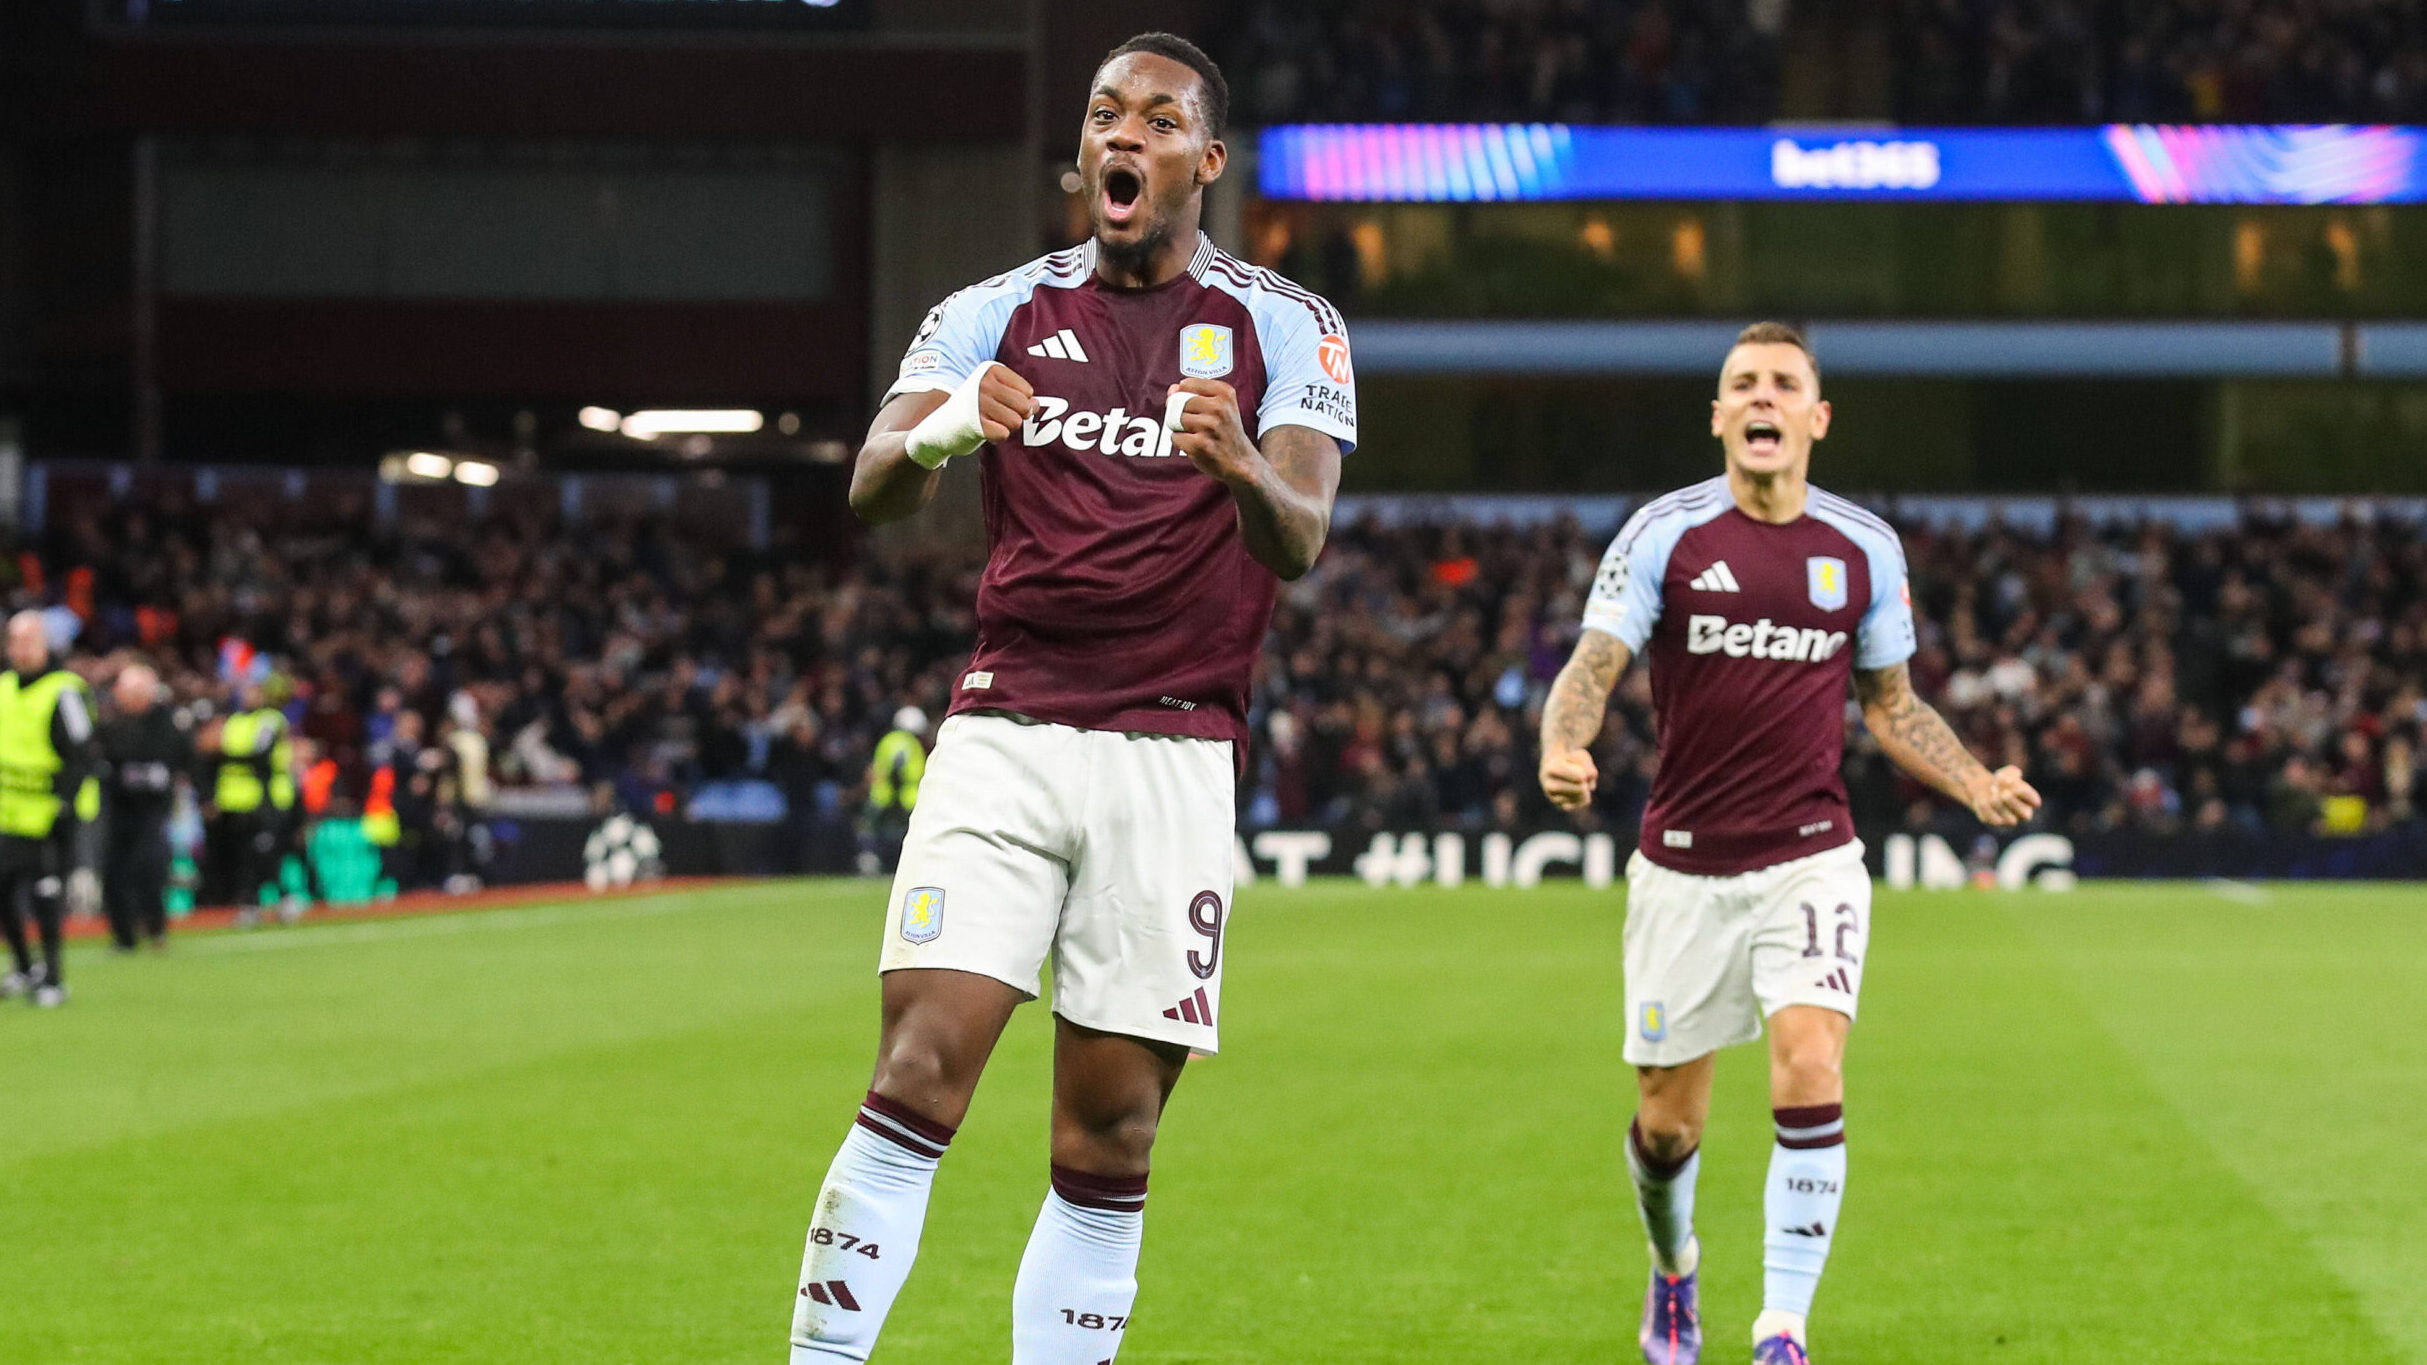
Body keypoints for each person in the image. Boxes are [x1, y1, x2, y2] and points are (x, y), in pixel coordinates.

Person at [787, 30, 1355, 1364]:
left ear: (1203, 160)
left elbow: (1300, 535)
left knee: (1109, 1131)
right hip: (1006, 731)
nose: (1122, 135)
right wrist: (937, 428)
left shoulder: (1285, 323)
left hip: (1172, 752)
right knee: (919, 1068)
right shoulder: (992, 309)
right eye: (1106, 114)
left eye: (1156, 120)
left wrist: (1236, 469)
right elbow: (870, 489)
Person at [1537, 323, 2041, 1365]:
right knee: (1669, 1126)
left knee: (1810, 1064)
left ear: (1816, 418)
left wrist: (1976, 780)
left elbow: (1891, 706)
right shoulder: (1667, 534)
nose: (1761, 399)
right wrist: (1563, 745)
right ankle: (1675, 1270)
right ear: (1720, 417)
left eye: (1783, 385)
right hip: (1681, 863)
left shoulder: (1863, 550)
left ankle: (1782, 1326)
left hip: (1811, 857)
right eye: (1742, 386)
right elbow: (1593, 666)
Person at [0, 611, 99, 1007]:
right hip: (8, 811)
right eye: (14, 640)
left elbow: (82, 753)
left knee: (45, 890)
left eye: (28, 640)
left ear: (45, 644)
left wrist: (65, 803)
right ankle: (25, 967)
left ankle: (54, 977)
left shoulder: (65, 690)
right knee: (3, 890)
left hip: (48, 811)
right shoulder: (4, 686)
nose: (20, 649)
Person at [98, 662, 191, 952]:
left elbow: (185, 759)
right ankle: (123, 935)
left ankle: (156, 928)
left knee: (150, 868)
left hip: (153, 809)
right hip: (120, 809)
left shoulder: (168, 723)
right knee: (115, 871)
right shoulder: (109, 726)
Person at [207, 676, 298, 925]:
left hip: (269, 795)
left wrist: (223, 754)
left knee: (266, 851)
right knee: (244, 855)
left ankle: (284, 897)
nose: (249, 697)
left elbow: (260, 755)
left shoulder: (270, 719)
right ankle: (251, 903)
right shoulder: (234, 721)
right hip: (236, 799)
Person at [859, 705, 928, 873]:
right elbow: (900, 770)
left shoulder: (887, 740)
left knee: (874, 835)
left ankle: (869, 864)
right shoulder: (909, 743)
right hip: (907, 799)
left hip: (881, 796)